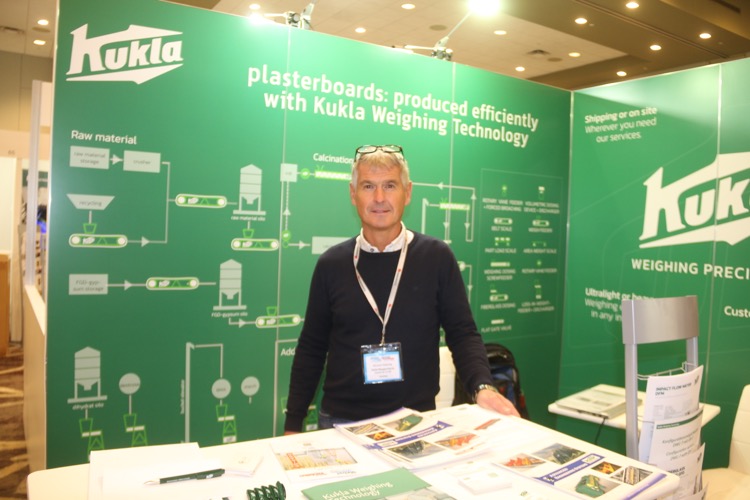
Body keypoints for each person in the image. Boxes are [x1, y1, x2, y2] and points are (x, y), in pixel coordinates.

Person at [284, 144, 520, 433]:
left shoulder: (436, 257)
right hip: (342, 422)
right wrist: (293, 422)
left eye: (390, 185)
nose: (379, 198)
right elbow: (311, 348)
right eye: (368, 186)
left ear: (407, 193)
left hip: (416, 421)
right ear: (353, 194)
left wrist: (482, 386)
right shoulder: (331, 264)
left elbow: (463, 334)